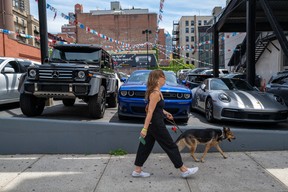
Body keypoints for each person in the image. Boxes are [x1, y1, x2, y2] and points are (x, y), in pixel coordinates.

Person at [132, 69, 199, 178]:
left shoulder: (157, 92)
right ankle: (183, 169)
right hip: (156, 125)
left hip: (153, 124)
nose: (165, 79)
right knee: (171, 146)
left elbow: (155, 108)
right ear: (158, 79)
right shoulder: (155, 93)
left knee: (145, 146)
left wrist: (165, 112)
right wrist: (144, 129)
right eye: (163, 77)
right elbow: (149, 111)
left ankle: (137, 170)